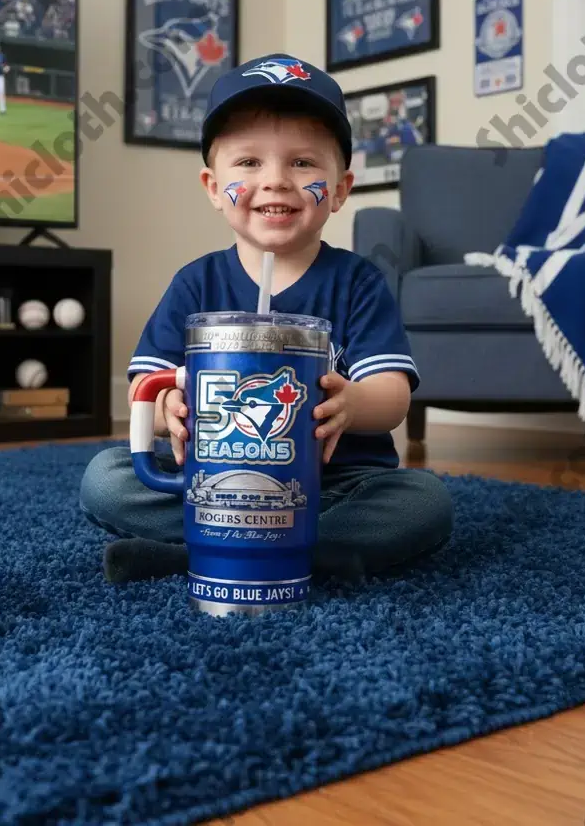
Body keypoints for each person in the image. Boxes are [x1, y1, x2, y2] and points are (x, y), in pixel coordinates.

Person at [79, 52, 453, 585]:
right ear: (213, 187)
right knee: (106, 478)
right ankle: (308, 556)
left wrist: (353, 402)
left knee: (424, 499)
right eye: (249, 163)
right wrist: (168, 410)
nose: (276, 180)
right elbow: (146, 386)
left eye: (302, 163)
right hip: (218, 485)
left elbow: (393, 396)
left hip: (338, 484)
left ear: (341, 189)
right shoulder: (195, 283)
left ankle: (204, 553)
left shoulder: (359, 282)